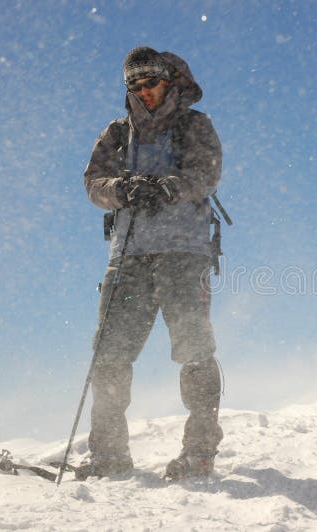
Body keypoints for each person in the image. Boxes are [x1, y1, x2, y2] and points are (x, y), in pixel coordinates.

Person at [82, 46, 223, 480]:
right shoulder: (117, 133)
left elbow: (207, 173)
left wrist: (166, 189)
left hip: (185, 252)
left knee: (194, 351)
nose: (144, 92)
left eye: (151, 83)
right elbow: (93, 182)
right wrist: (121, 190)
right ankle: (108, 456)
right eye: (135, 86)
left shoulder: (195, 126)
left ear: (170, 81)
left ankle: (199, 451)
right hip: (129, 257)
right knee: (109, 355)